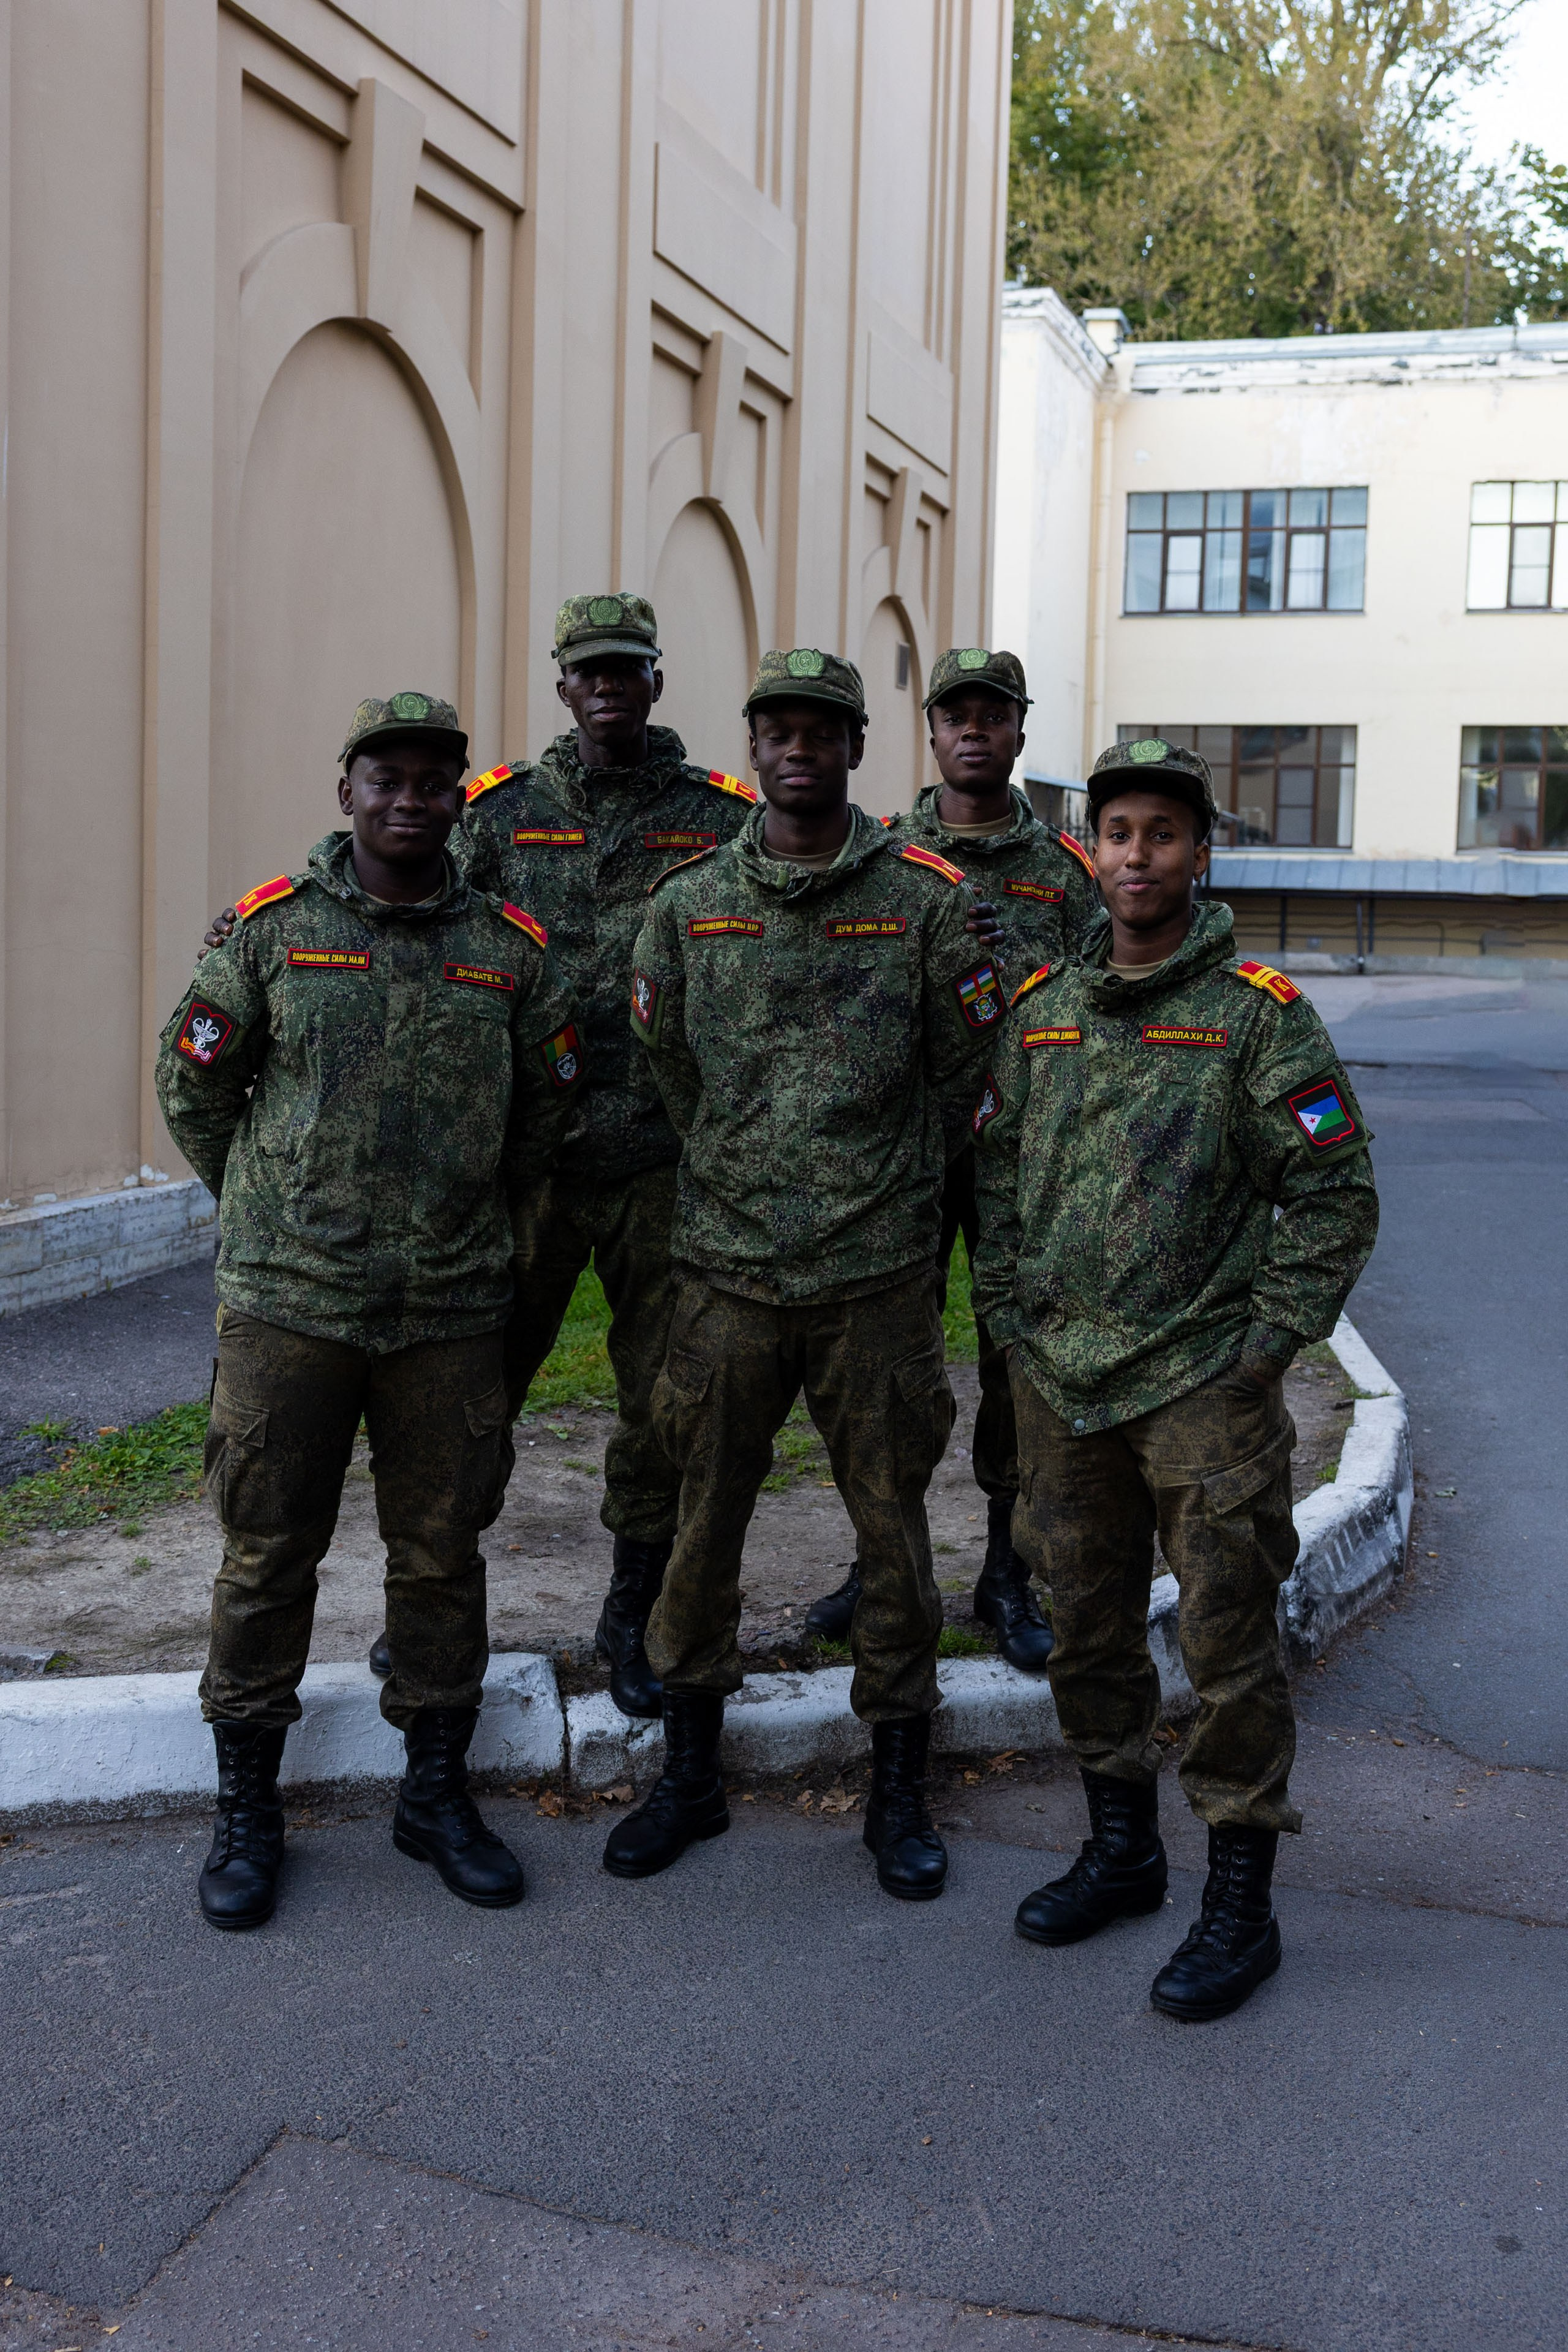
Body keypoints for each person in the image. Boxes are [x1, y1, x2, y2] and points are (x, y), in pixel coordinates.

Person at [199, 598, 756, 1723]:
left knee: (662, 1405)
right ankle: (429, 1614)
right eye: (588, 672)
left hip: (658, 1159)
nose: (608, 688)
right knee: (465, 1398)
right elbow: (398, 898)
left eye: (628, 669)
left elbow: (793, 890)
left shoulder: (720, 818)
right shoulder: (497, 810)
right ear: (562, 686)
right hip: (528, 1169)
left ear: (656, 679)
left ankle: (630, 1609)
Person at [157, 692, 584, 1932]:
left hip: (447, 1312)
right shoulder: (270, 933)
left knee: (442, 1558)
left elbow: (541, 1114)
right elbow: (197, 1089)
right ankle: (247, 1808)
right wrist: (272, 1203)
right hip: (290, 1309)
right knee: (266, 1553)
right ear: (345, 791)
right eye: (384, 778)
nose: (408, 799)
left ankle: (434, 1796)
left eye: (431, 781)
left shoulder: (510, 949)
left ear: (458, 797)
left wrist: (475, 1228)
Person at [973, 736, 1378, 2019]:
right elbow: (994, 1182)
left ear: (1199, 853)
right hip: (1065, 1386)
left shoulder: (1255, 1012)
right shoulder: (1042, 1008)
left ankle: (1237, 1901)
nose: (1135, 855)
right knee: (1084, 1626)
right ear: (1089, 851)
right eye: (1116, 832)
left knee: (1223, 1643)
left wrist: (1263, 1348)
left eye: (1161, 832)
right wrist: (1009, 1320)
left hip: (1201, 1387)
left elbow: (1330, 1194)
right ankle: (1121, 1851)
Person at [605, 648, 994, 1902]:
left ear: (853, 749)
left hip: (873, 1279)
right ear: (755, 743)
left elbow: (959, 1068)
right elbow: (667, 1063)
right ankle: (689, 1773)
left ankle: (894, 1788)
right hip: (723, 1274)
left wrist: (878, 1182)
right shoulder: (686, 904)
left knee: (890, 1533)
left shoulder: (926, 900)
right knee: (699, 1524)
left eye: (821, 730)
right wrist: (742, 1168)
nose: (797, 748)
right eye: (777, 728)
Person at [804, 646, 1098, 1673]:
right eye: (955, 715)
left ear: (1020, 731)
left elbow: (1102, 1009)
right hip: (906, 1156)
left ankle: (1009, 1572)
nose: (975, 731)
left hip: (1026, 1157)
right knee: (887, 1367)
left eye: (994, 715)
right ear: (930, 732)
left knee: (1017, 1363)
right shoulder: (875, 854)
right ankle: (880, 1559)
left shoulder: (1068, 878)